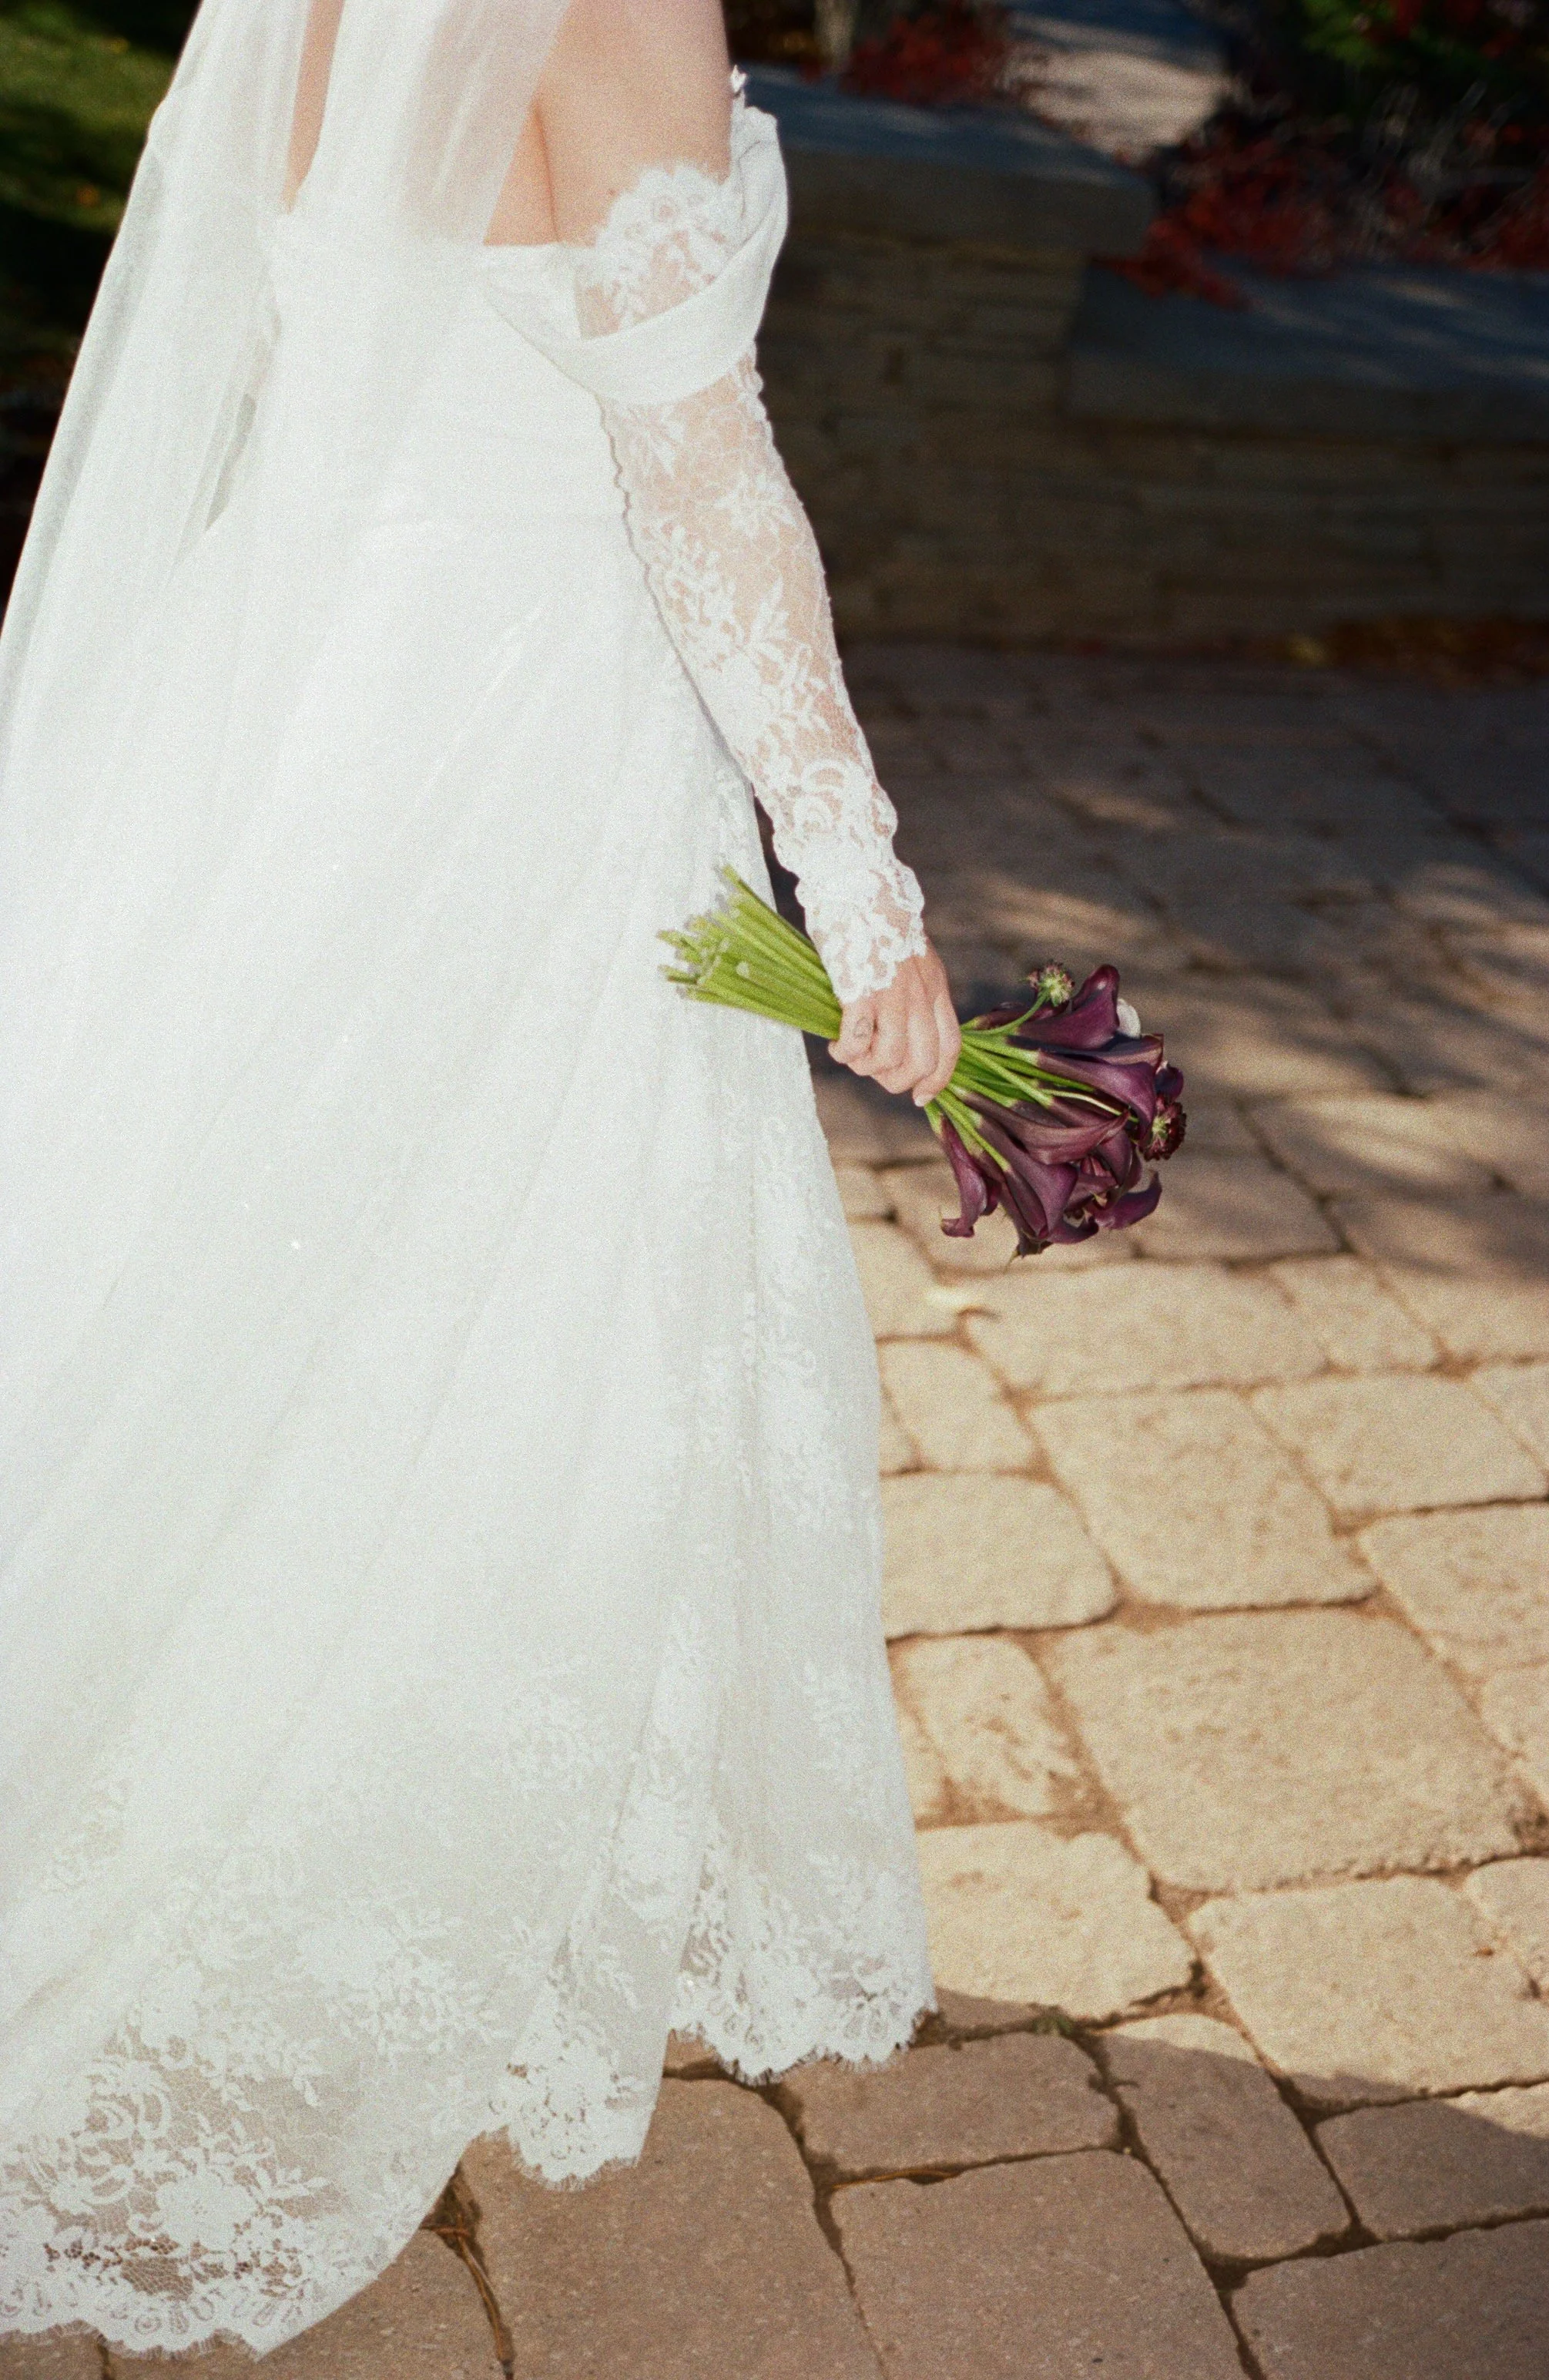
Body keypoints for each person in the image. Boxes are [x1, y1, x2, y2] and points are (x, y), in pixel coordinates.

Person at [0, 0, 961, 2355]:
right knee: (487, 1338)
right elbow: (699, 468)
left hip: (294, 678)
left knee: (216, 1291)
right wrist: (865, 888)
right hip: (518, 730)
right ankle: (308, 1870)